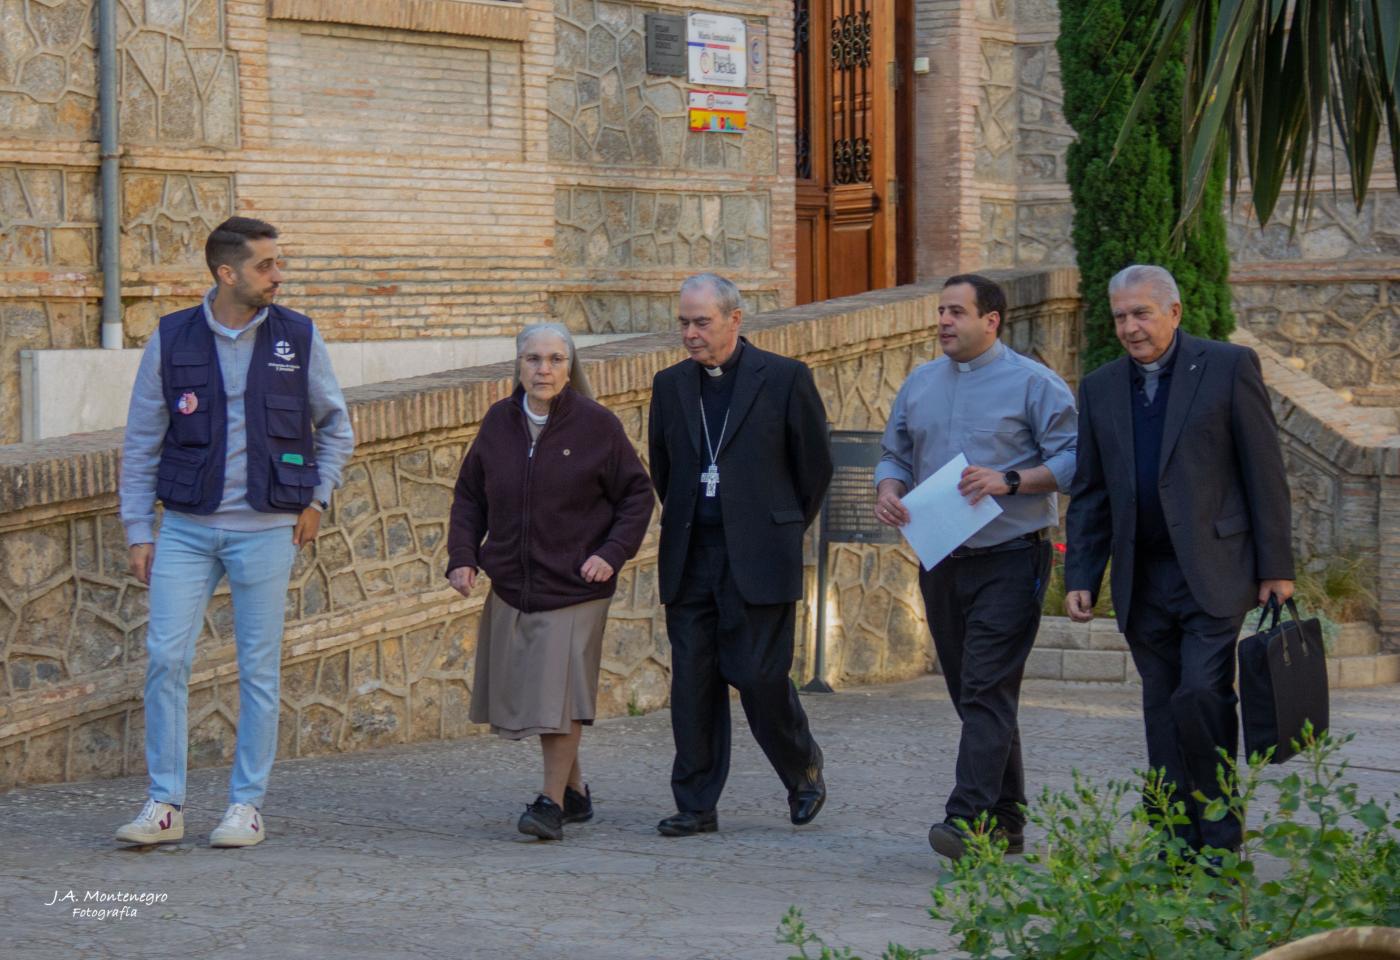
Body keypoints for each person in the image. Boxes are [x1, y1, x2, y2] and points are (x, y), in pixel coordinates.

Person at [117, 217, 354, 848]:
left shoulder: (298, 335)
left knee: (258, 668)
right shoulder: (172, 336)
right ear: (227, 273)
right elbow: (141, 441)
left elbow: (336, 427)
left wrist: (318, 498)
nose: (279, 276)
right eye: (265, 265)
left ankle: (245, 805)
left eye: (279, 263)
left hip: (268, 529)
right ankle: (165, 804)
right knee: (166, 658)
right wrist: (139, 529)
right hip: (186, 528)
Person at [1064, 264, 1294, 853]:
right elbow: (1091, 490)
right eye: (1120, 317)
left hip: (1215, 569)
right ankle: (1173, 839)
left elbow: (1264, 472)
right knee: (1162, 705)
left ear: (1174, 312)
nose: (1130, 328)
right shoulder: (1100, 387)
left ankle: (1219, 840)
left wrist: (1276, 567)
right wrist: (1082, 574)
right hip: (1142, 578)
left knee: (1200, 694)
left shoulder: (1228, 367)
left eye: (1141, 314)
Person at [875, 274, 1077, 862]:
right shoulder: (919, 383)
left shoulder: (1034, 384)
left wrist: (1010, 479)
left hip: (1013, 557)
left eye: (956, 312)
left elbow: (1075, 457)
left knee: (987, 685)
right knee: (975, 692)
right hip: (941, 559)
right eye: (940, 310)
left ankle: (966, 819)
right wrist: (889, 489)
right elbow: (894, 454)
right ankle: (1008, 820)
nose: (943, 321)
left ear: (991, 320)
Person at [446, 323, 653, 841]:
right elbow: (470, 495)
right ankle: (575, 791)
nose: (544, 369)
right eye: (534, 359)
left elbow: (637, 495)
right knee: (540, 695)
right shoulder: (499, 422)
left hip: (577, 585)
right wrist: (462, 556)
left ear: (570, 365)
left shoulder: (597, 425)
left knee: (558, 697)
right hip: (514, 584)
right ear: (518, 365)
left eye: (556, 359)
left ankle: (550, 804)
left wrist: (611, 553)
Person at [648, 272, 833, 837]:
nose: (690, 334)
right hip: (691, 555)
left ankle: (802, 767)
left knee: (757, 677)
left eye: (701, 322)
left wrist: (775, 529)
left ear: (734, 319)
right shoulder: (669, 385)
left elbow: (813, 468)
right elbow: (663, 467)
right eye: (684, 323)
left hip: (758, 557)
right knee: (693, 683)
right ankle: (695, 803)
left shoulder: (784, 378)